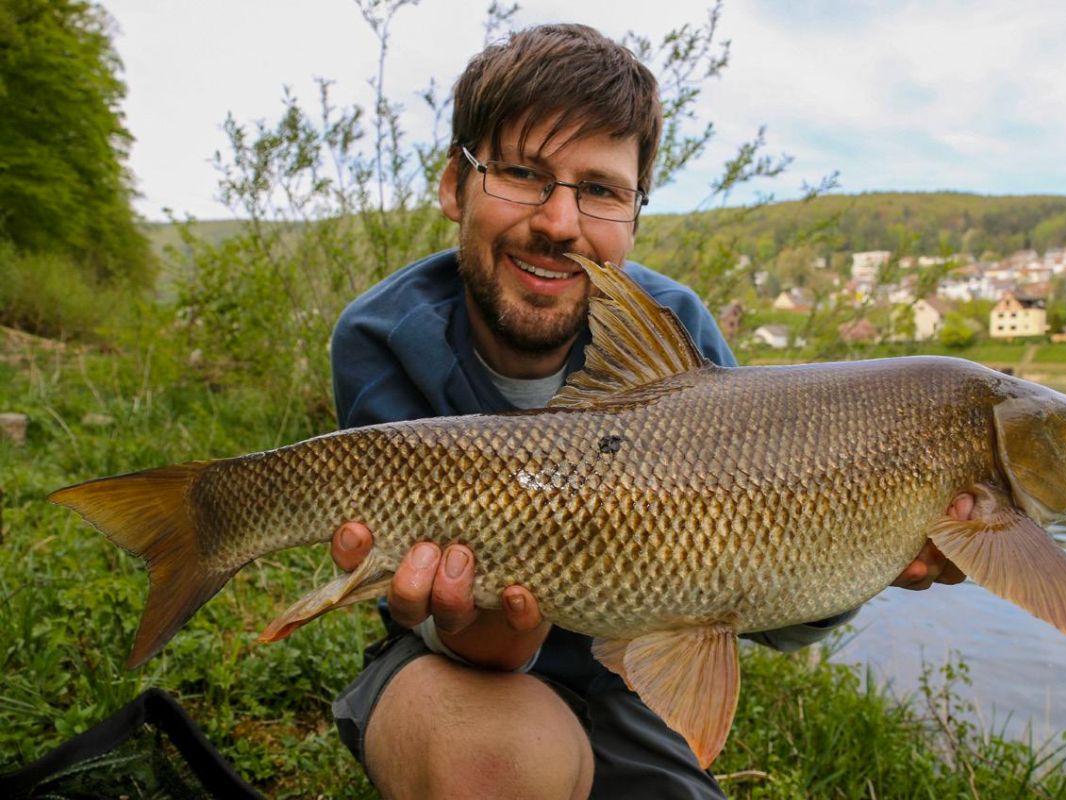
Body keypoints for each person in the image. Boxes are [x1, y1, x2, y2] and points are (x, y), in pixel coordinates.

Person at [327, 23, 968, 799]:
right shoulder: (379, 336)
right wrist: (485, 631)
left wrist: (866, 552)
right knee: (491, 766)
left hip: (636, 676)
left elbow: (749, 589)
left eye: (598, 190)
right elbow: (418, 604)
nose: (559, 222)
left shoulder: (679, 332)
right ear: (454, 186)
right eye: (523, 174)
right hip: (448, 667)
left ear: (634, 214)